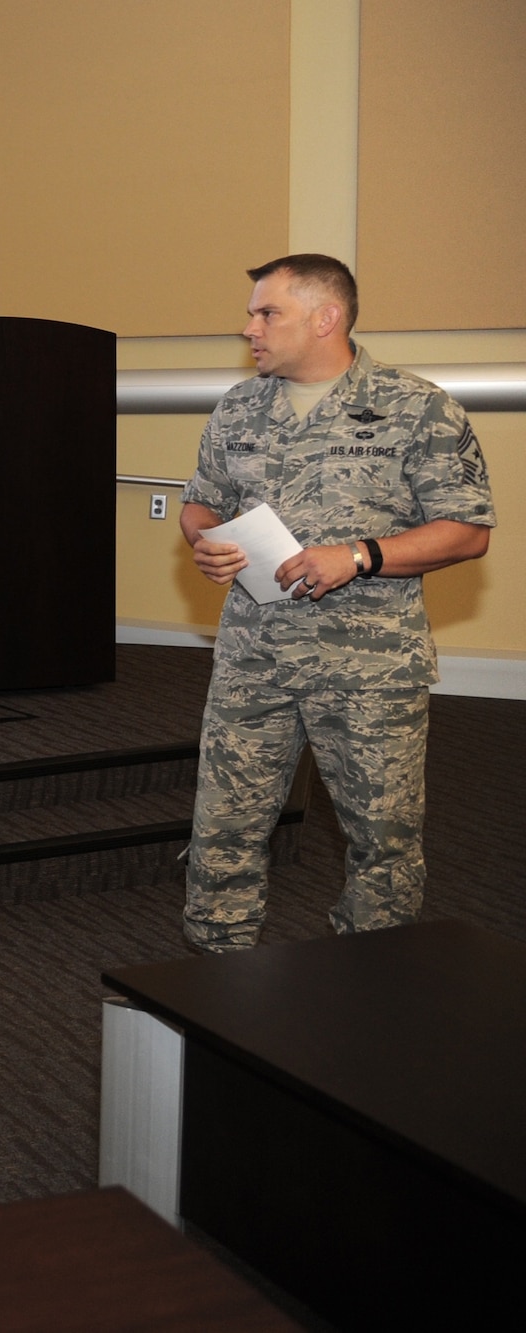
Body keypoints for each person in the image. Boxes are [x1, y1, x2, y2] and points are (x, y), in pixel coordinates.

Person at [179, 254, 494, 951]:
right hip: (252, 657)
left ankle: (369, 983)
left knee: (382, 840)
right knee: (223, 826)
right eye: (253, 313)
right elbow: (201, 501)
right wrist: (203, 539)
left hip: (368, 667)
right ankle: (213, 968)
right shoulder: (238, 407)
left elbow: (468, 530)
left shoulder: (418, 407)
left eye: (268, 313)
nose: (249, 327)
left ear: (327, 318)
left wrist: (358, 555)